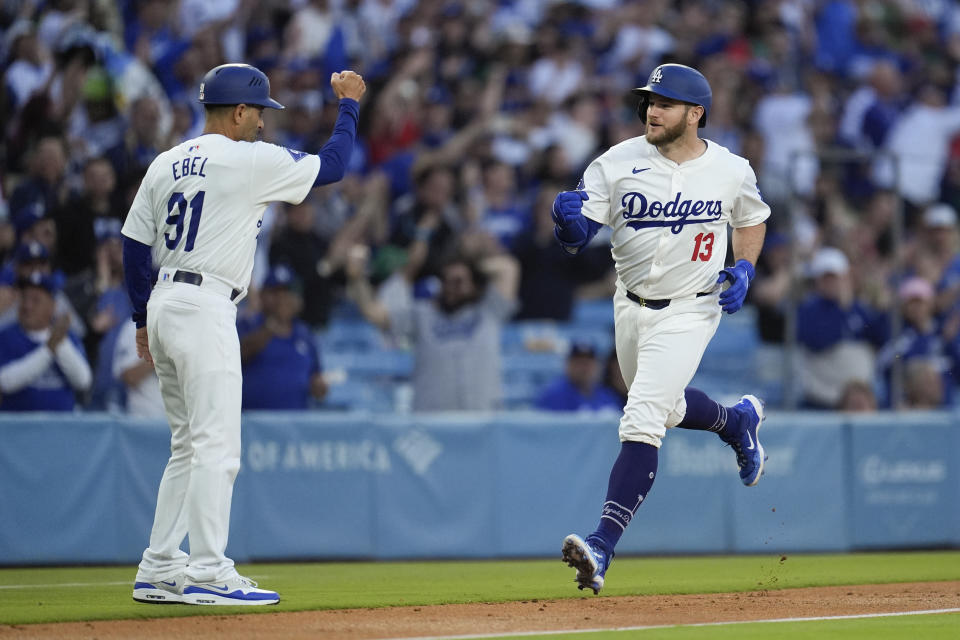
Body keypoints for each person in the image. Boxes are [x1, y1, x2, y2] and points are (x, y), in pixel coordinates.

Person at [121, 63, 365, 606]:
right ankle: (208, 570)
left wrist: (141, 319)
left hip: (163, 301)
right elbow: (333, 166)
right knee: (216, 446)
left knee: (186, 445)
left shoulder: (166, 162)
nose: (262, 123)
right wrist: (349, 104)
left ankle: (160, 566)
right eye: (258, 112)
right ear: (238, 112)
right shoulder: (247, 158)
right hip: (205, 305)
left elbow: (133, 247)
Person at [549, 64, 770, 594]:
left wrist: (745, 267)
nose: (652, 109)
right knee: (666, 406)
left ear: (695, 114)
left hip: (693, 307)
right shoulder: (618, 160)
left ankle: (602, 545)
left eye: (666, 103)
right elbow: (579, 237)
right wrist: (567, 221)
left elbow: (752, 219)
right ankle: (735, 422)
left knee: (644, 415)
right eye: (650, 100)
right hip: (629, 304)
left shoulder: (730, 168)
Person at [346, 238, 519, 412]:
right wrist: (356, 278)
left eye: (458, 282)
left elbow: (508, 268)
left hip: (483, 421)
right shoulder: (422, 314)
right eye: (445, 281)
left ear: (474, 285)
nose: (450, 288)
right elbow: (374, 314)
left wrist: (471, 265)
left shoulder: (489, 311)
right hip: (432, 424)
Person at [237, 264, 327, 410]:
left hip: (294, 427)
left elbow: (316, 379)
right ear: (262, 295)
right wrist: (273, 325)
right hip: (252, 424)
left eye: (286, 292)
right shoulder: (248, 323)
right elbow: (239, 355)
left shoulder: (305, 334)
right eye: (275, 292)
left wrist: (319, 387)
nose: (281, 299)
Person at [0, 272, 91, 411]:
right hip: (18, 429)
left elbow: (83, 381)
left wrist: (60, 343)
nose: (27, 306)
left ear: (53, 306)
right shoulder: (5, 336)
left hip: (61, 429)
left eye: (36, 300)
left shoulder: (68, 337)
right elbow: (5, 382)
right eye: (24, 298)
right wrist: (48, 350)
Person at [535, 342, 623, 412]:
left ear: (597, 366)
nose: (583, 368)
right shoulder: (553, 395)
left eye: (587, 363)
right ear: (568, 365)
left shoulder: (608, 395)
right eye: (578, 363)